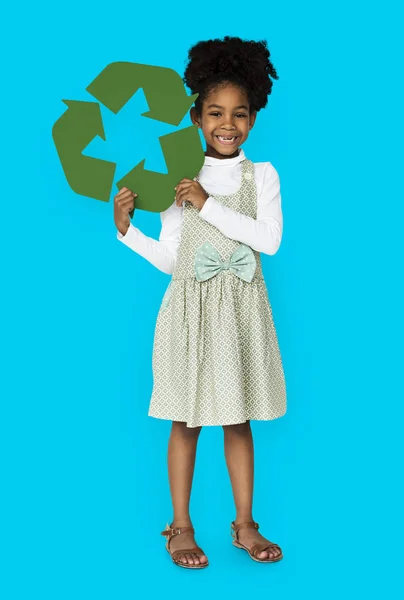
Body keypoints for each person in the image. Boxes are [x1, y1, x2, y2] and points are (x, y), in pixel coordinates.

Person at [114, 35, 287, 569]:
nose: (227, 124)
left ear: (254, 119)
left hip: (240, 313)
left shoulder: (264, 176)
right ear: (195, 116)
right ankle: (180, 526)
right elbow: (174, 259)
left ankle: (244, 524)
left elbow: (269, 241)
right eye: (215, 112)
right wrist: (128, 232)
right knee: (185, 421)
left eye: (239, 113)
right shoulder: (175, 178)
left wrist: (208, 204)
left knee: (239, 421)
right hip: (190, 315)